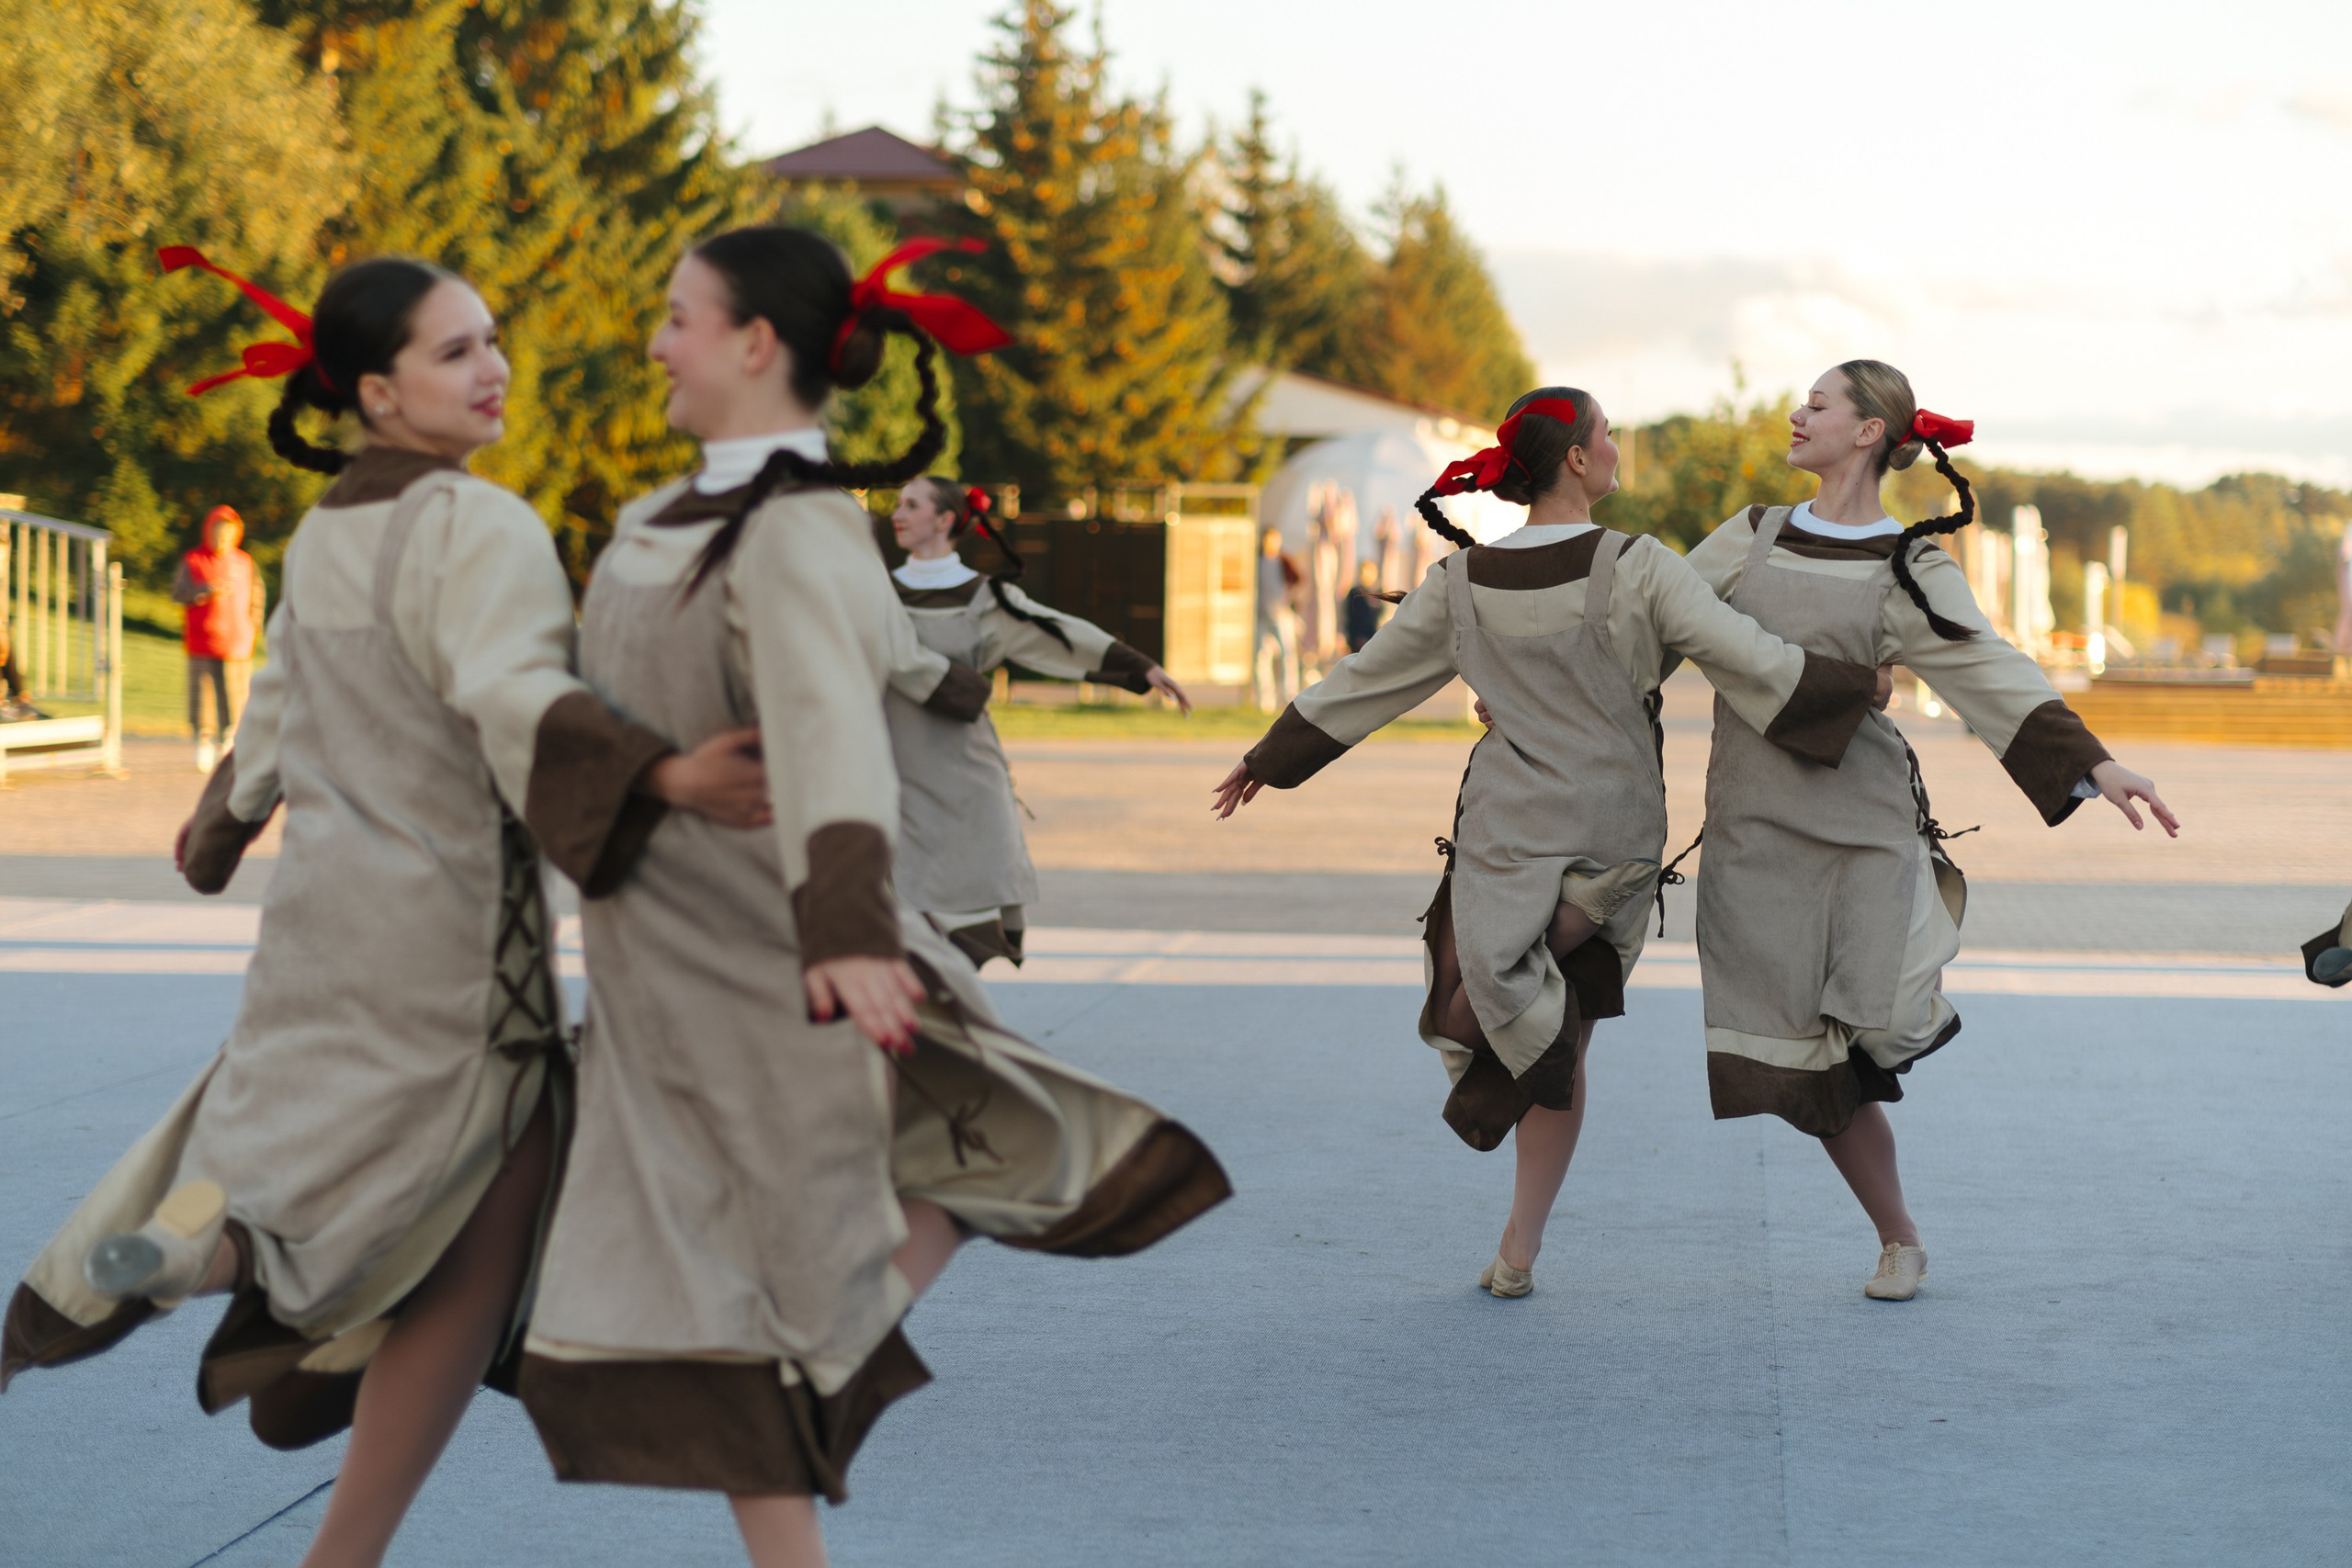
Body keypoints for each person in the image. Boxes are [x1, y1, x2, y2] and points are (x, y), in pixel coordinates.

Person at [0, 247, 766, 1568]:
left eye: (491, 339)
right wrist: (667, 772)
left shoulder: (331, 532)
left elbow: (280, 712)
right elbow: (519, 698)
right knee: (468, 1271)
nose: (494, 367)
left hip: (317, 942)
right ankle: (334, 1542)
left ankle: (194, 1255)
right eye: (456, 350)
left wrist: (222, 823)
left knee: (308, 1200)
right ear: (377, 389)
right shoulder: (482, 525)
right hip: (459, 962)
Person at [514, 228, 1229, 1568]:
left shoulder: (797, 532)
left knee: (747, 1321)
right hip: (650, 954)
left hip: (765, 951)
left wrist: (845, 933)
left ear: (754, 343)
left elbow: (834, 734)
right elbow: (581, 708)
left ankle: (824, 1348)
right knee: (731, 1332)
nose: (656, 342)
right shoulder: (655, 521)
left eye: (678, 317)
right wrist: (644, 774)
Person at [1211, 387, 1882, 1299]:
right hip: (1609, 849)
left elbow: (1370, 679)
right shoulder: (1638, 566)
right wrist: (1855, 690)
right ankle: (1515, 1247)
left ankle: (1514, 1223)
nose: (1614, 450)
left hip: (1504, 837)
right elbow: (1746, 653)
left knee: (1517, 1016)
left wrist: (1272, 756)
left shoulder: (1461, 581)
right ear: (1574, 459)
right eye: (1605, 435)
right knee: (1558, 1033)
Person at [1684, 360, 2178, 1302]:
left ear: (1868, 431)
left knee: (1859, 1037)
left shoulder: (1908, 563)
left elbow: (1987, 667)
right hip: (1754, 835)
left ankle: (1897, 1241)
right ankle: (1898, 1233)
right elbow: (1642, 620)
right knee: (1804, 1058)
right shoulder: (1746, 539)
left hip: (1863, 832)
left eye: (1818, 403)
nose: (1796, 414)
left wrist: (2096, 762)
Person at [885, 476, 1188, 965]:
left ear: (944, 520)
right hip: (890, 772)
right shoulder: (874, 594)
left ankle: (945, 1023)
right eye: (898, 503)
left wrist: (1138, 667)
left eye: (911, 505)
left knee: (961, 920)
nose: (897, 513)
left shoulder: (985, 599)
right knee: (891, 918)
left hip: (963, 775)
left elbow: (1058, 632)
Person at [173, 503, 266, 772]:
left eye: (227, 533)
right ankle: (203, 740)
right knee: (203, 694)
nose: (221, 539)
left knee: (235, 695)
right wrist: (204, 591)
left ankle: (229, 742)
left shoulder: (244, 562)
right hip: (202, 640)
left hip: (237, 641)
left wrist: (253, 628)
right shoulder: (194, 560)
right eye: (217, 533)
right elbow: (178, 593)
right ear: (208, 532)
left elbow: (257, 597)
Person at [1252, 524, 1302, 709]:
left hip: (1281, 614)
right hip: (1261, 614)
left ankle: (1290, 696)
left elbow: (1296, 581)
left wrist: (1290, 602)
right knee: (1261, 656)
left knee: (1287, 655)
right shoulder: (1257, 561)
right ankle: (1265, 699)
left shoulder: (1283, 561)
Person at [1343, 558, 1386, 652]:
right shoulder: (1355, 593)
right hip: (1359, 640)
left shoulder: (1379, 592)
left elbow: (1382, 614)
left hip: (1374, 638)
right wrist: (1356, 638)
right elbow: (1351, 617)